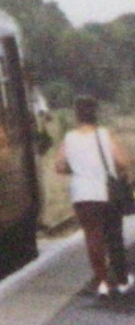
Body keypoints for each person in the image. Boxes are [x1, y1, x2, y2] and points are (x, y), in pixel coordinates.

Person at [54, 95, 133, 297]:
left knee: (93, 238)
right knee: (114, 235)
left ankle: (103, 283)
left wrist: (79, 169)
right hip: (106, 193)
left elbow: (59, 166)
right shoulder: (104, 135)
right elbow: (123, 162)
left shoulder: (69, 138)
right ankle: (123, 281)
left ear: (76, 115)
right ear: (95, 113)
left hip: (82, 194)